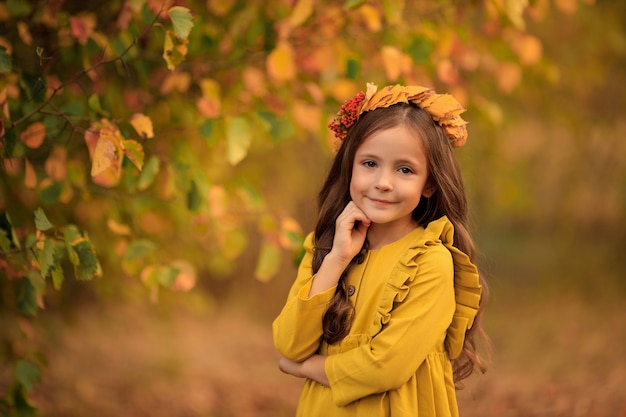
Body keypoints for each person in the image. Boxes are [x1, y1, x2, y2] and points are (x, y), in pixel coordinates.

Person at [272, 83, 487, 417]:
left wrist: (306, 368)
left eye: (405, 170)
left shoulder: (430, 262)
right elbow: (290, 344)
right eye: (370, 163)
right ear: (350, 167)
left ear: (429, 183)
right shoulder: (325, 245)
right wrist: (336, 260)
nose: (383, 182)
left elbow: (386, 366)